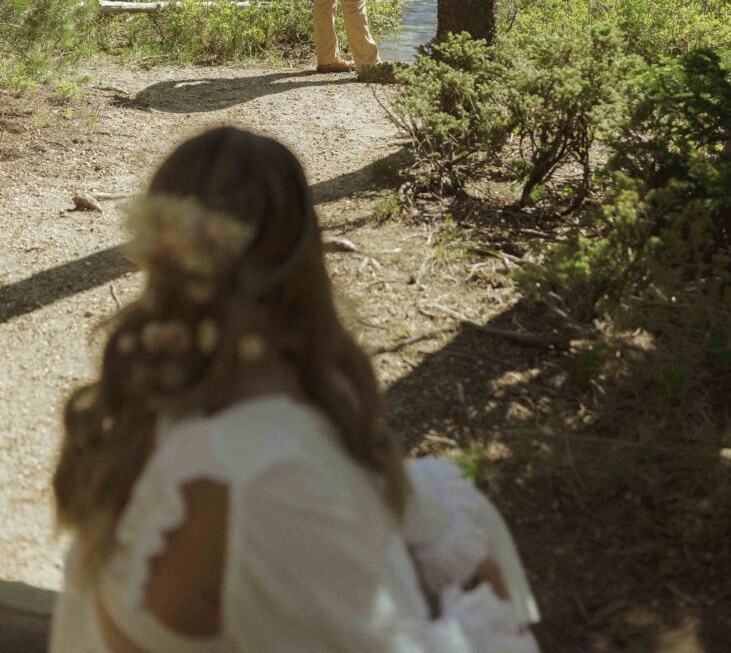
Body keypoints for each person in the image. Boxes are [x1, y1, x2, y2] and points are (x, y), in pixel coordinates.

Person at [50, 127, 540, 653]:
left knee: (443, 503)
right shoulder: (277, 471)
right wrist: (489, 599)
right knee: (472, 532)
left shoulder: (155, 392)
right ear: (302, 256)